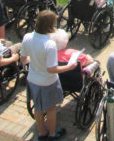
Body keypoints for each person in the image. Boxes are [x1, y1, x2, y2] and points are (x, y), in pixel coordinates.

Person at [21, 10, 74, 141]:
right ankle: (52, 133)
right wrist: (69, 67)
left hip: (33, 79)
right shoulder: (49, 45)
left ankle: (42, 132)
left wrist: (34, 61)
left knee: (38, 108)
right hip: (48, 81)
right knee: (51, 109)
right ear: (50, 26)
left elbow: (23, 59)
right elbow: (52, 69)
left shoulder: (27, 37)